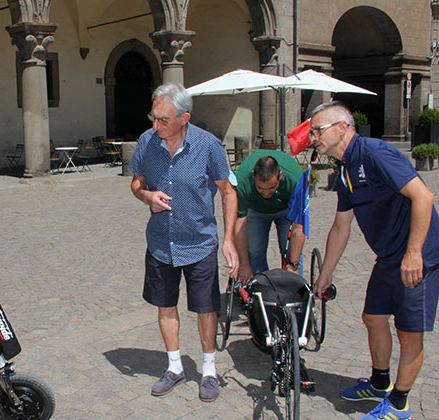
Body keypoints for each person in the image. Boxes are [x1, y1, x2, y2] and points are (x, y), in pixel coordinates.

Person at [310, 101, 439, 420]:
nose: (313, 136)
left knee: (408, 331)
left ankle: (399, 404)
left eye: (318, 130)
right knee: (373, 317)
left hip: (419, 256)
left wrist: (414, 253)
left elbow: (424, 196)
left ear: (342, 128)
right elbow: (341, 226)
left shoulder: (375, 154)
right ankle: (379, 382)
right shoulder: (343, 169)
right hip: (389, 257)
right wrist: (326, 272)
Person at [129, 83, 239, 402]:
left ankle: (208, 370)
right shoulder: (147, 143)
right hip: (162, 242)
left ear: (184, 117)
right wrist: (146, 195)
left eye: (163, 119)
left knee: (206, 309)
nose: (155, 125)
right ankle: (174, 367)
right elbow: (136, 183)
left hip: (200, 242)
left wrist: (229, 239)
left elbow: (228, 192)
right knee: (166, 305)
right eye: (153, 117)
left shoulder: (209, 146)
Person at [234, 150, 306, 284]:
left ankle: (294, 291)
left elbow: (299, 228)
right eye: (260, 188)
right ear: (253, 176)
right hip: (256, 210)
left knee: (291, 253)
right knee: (255, 251)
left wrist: (293, 265)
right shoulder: (242, 181)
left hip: (286, 209)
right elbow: (239, 227)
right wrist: (244, 264)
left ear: (280, 176)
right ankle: (261, 290)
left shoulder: (296, 180)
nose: (266, 193)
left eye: (271, 187)